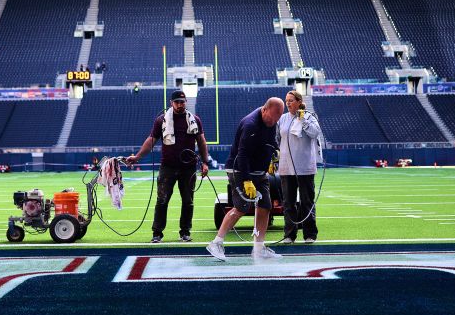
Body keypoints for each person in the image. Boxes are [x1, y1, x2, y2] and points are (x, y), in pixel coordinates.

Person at [126, 90, 210, 243]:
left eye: (182, 102)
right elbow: (151, 139)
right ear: (171, 103)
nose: (180, 105)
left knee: (188, 201)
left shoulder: (194, 119)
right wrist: (138, 156)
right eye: (177, 102)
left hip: (188, 168)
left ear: (186, 103)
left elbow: (202, 141)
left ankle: (185, 232)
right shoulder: (161, 120)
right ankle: (157, 233)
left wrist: (205, 162)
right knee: (162, 200)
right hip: (168, 167)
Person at [207, 97, 285, 262]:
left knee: (265, 206)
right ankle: (216, 243)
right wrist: (246, 180)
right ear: (264, 110)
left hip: (259, 171)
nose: (273, 122)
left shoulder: (273, 122)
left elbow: (271, 142)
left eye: (277, 119)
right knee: (242, 207)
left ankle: (258, 249)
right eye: (271, 118)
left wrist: (273, 157)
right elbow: (242, 155)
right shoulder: (250, 124)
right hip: (239, 169)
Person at [277, 90, 324, 244]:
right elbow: (277, 138)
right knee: (288, 203)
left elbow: (314, 133)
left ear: (299, 101)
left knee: (306, 202)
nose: (288, 103)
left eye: (291, 100)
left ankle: (310, 234)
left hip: (305, 167)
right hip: (286, 168)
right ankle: (290, 234)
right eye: (286, 100)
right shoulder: (282, 119)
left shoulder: (310, 117)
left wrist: (303, 120)